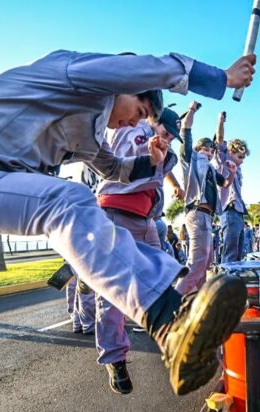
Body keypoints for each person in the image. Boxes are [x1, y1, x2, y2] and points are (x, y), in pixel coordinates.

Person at [0, 49, 256, 396]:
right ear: (125, 86)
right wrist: (222, 77)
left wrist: (152, 162)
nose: (133, 123)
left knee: (71, 205)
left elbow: (114, 169)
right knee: (67, 200)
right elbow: (146, 68)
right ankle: (166, 320)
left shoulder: (90, 131)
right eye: (139, 112)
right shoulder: (74, 75)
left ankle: (172, 317)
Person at [92, 106, 186, 394]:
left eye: (172, 135)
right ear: (151, 119)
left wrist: (168, 169)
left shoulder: (160, 144)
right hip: (115, 213)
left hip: (146, 220)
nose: (168, 138)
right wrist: (150, 138)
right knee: (113, 290)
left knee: (161, 278)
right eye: (166, 132)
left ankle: (174, 338)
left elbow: (162, 165)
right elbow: (131, 155)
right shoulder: (134, 128)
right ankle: (114, 358)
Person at [175, 105, 237, 294]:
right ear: (197, 148)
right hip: (196, 212)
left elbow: (225, 184)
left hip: (207, 217)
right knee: (197, 263)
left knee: (206, 263)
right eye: (205, 149)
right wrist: (192, 110)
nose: (209, 153)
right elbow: (186, 131)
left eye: (211, 150)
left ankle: (201, 301)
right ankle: (172, 301)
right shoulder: (191, 158)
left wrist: (232, 172)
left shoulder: (210, 168)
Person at [215, 113, 250, 263]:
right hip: (229, 211)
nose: (242, 161)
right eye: (240, 157)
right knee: (230, 255)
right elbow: (219, 140)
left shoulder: (238, 169)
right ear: (231, 153)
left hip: (239, 213)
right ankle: (225, 278)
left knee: (238, 255)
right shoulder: (224, 160)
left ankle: (233, 277)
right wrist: (221, 121)